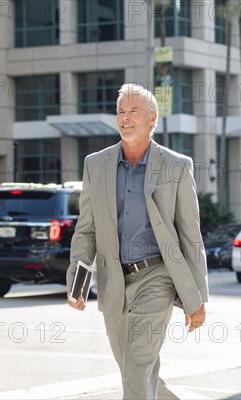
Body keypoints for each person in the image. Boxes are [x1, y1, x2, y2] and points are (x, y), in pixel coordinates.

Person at [66, 83, 208, 400]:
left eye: (133, 111)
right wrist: (75, 280)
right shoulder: (96, 164)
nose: (126, 118)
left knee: (134, 369)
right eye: (121, 112)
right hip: (112, 280)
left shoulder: (176, 166)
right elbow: (86, 228)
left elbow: (190, 233)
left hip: (157, 277)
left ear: (152, 118)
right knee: (138, 370)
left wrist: (196, 298)